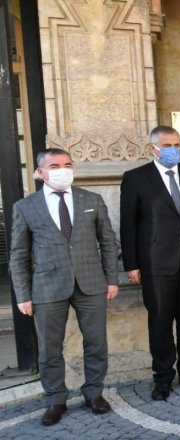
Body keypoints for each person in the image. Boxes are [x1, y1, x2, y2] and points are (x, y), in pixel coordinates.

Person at [9, 149, 118, 426]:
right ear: (41, 172)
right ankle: (55, 399)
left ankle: (94, 393)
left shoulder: (91, 199)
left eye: (67, 164)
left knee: (96, 342)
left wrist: (111, 278)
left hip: (91, 283)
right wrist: (23, 294)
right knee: (49, 348)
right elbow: (19, 255)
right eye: (55, 165)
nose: (63, 169)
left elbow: (108, 243)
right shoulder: (26, 206)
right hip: (46, 287)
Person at [120, 125, 180, 400]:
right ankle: (162, 377)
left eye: (177, 144)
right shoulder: (136, 178)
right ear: (154, 148)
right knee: (160, 321)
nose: (174, 149)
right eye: (168, 145)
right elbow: (129, 224)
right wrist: (131, 264)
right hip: (155, 262)